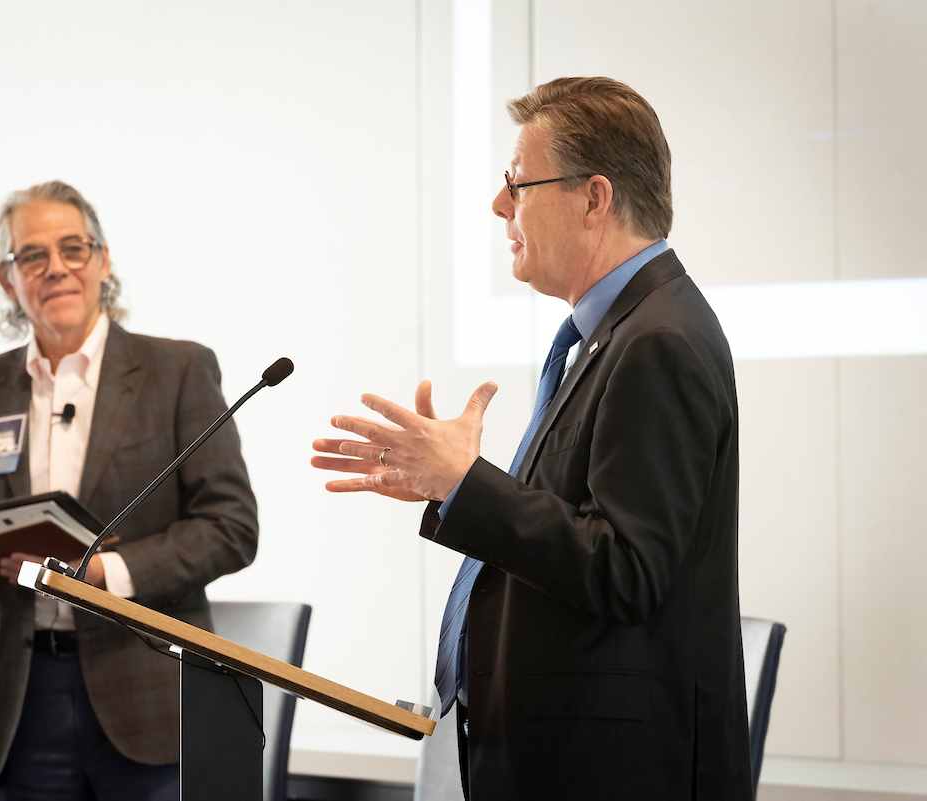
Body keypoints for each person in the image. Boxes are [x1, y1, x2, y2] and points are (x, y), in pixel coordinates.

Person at [312, 77, 752, 799]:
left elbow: (624, 567)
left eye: (516, 183)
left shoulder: (657, 341)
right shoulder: (618, 333)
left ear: (594, 198)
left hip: (614, 772)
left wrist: (465, 483)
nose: (497, 205)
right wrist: (447, 484)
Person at [0, 180, 258, 801]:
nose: (56, 269)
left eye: (73, 248)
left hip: (150, 690)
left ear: (103, 260)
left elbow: (231, 528)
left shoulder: (176, 372)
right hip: (18, 705)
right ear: (5, 279)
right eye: (33, 256)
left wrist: (105, 572)